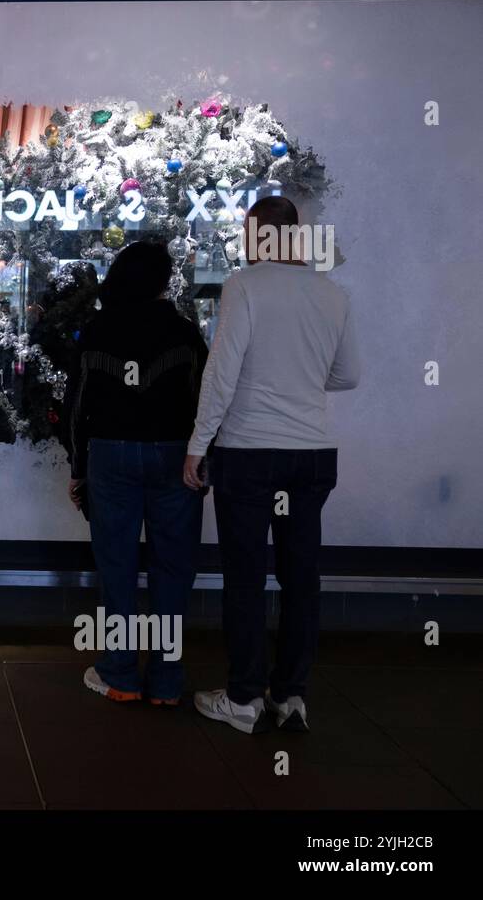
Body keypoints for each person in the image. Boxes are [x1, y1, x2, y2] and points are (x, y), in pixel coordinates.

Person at [185, 196, 359, 733]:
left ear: (258, 233)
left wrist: (198, 443)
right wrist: (300, 380)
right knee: (301, 579)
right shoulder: (332, 293)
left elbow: (222, 371)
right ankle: (290, 697)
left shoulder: (245, 286)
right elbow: (348, 375)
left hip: (249, 452)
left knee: (246, 579)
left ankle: (243, 700)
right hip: (311, 455)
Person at [66, 240, 209, 705]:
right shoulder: (186, 334)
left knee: (118, 567)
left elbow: (77, 406)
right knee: (173, 569)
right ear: (165, 281)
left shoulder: (98, 329)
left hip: (111, 456)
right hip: (176, 457)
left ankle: (120, 675)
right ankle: (166, 684)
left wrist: (77, 466)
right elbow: (205, 402)